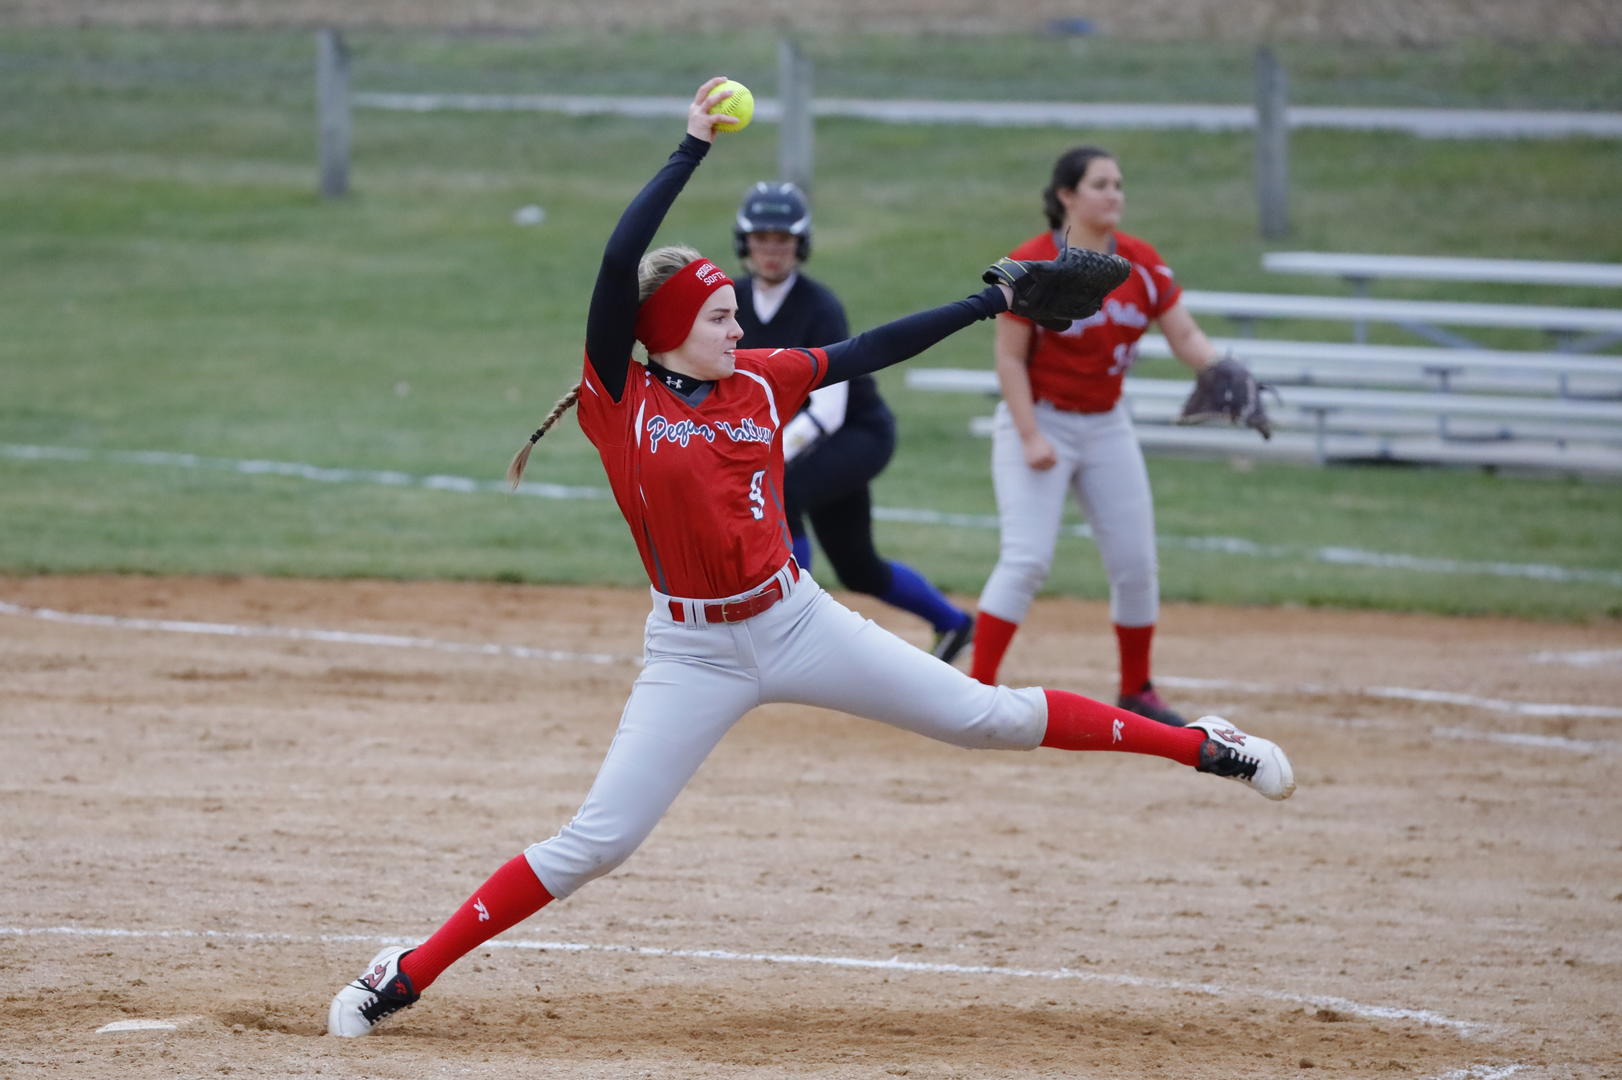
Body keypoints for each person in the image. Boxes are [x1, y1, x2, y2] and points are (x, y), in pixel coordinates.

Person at [326, 79, 1295, 1039]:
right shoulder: (617, 402)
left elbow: (870, 348)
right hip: (691, 654)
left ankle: (1203, 744)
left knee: (984, 719)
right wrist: (690, 148)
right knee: (597, 842)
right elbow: (621, 257)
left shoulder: (761, 379)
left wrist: (983, 299)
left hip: (792, 620)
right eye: (718, 318)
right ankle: (401, 973)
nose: (738, 326)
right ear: (665, 332)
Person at [967, 144, 1226, 727]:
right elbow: (1010, 359)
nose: (1114, 194)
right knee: (1027, 558)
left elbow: (1185, 335)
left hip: (1107, 423)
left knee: (1135, 562)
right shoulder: (1034, 262)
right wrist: (1031, 436)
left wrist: (1216, 368)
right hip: (1039, 415)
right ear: (1067, 196)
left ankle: (1137, 689)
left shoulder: (1141, 262)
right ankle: (975, 690)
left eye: (1118, 184)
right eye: (1100, 184)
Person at [732, 180, 974, 663]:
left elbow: (829, 410)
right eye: (762, 239)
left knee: (784, 490)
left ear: (801, 245)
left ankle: (783, 628)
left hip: (857, 435)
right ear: (745, 243)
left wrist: (764, 455)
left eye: (783, 240)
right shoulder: (731, 299)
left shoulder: (820, 307)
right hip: (803, 442)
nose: (772, 251)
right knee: (857, 566)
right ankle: (955, 623)